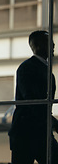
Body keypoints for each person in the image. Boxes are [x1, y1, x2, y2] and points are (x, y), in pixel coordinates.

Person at [8, 30, 58, 164]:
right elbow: (33, 101)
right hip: (27, 133)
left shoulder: (44, 70)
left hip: (37, 131)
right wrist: (53, 123)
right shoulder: (27, 68)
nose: (53, 45)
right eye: (48, 42)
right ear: (37, 46)